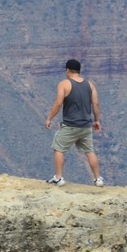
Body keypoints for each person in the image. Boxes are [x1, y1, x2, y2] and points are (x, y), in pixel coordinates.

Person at [44, 58, 103, 186]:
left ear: (68, 70)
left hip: (70, 125)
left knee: (58, 148)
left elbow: (58, 103)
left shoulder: (64, 84)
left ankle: (58, 178)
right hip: (86, 126)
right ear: (79, 70)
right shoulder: (90, 85)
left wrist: (49, 118)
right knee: (89, 151)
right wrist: (97, 120)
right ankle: (98, 179)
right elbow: (96, 103)